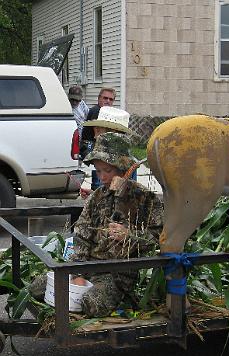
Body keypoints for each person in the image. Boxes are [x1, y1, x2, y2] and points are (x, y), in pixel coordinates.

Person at [29, 132, 163, 318]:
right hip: (87, 267)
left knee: (91, 303)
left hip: (116, 275)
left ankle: (108, 297)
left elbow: (158, 236)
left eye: (107, 171)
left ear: (123, 168)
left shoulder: (144, 198)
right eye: (99, 171)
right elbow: (82, 235)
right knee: (36, 287)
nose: (102, 177)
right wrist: (77, 272)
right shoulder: (97, 197)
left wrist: (129, 235)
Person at [80, 106, 138, 198]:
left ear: (112, 134)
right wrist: (94, 196)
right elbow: (107, 194)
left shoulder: (125, 164)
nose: (95, 136)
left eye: (98, 130)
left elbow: (121, 199)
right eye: (99, 170)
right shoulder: (100, 157)